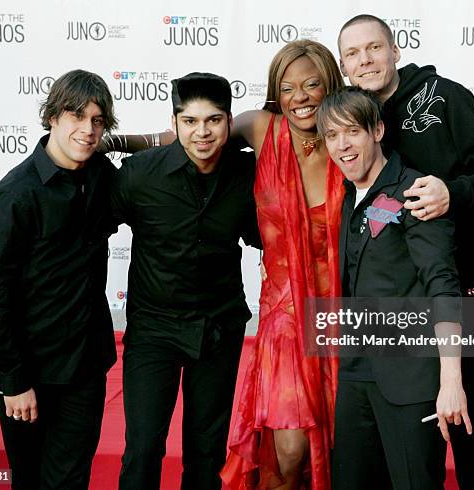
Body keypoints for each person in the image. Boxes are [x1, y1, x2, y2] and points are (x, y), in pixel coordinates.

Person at [104, 40, 346, 489]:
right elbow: (182, 139)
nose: (301, 96)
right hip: (216, 324)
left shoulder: (341, 142)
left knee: (218, 449)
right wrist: (107, 142)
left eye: (312, 84)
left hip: (291, 318)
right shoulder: (150, 172)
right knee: (147, 450)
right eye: (289, 86)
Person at [337, 14, 474, 489]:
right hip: (398, 321)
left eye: (374, 48)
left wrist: (452, 192)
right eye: (353, 54)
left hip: (467, 299)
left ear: (396, 50)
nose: (366, 60)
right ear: (344, 67)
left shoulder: (443, 96)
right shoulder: (355, 125)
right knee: (407, 465)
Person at [111, 72, 261, 490]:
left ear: (229, 123)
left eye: (213, 120)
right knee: (143, 448)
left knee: (206, 452)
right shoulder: (140, 175)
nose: (202, 132)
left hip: (218, 328)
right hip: (154, 330)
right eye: (190, 121)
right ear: (174, 123)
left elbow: (265, 235)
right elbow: (87, 230)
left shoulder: (247, 173)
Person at [318, 85, 470, 489]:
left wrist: (451, 381)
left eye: (352, 131)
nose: (342, 145)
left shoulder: (415, 190)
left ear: (378, 131)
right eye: (332, 136)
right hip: (355, 374)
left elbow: (442, 284)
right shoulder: (348, 197)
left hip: (411, 380)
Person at [0, 69, 118, 490]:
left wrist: (124, 142)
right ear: (52, 117)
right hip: (28, 373)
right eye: (76, 116)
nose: (88, 130)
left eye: (97, 121)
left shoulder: (101, 176)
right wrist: (14, 382)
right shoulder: (15, 196)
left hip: (85, 368)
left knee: (70, 482)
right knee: (32, 481)